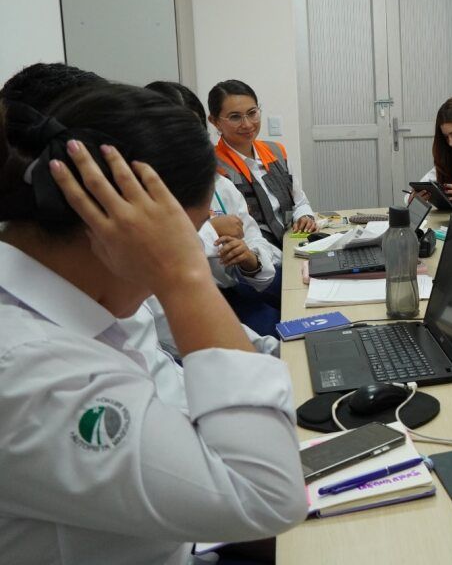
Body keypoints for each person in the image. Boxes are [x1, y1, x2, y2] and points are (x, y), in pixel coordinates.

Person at [0, 82, 307, 563]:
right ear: (111, 223)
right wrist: (185, 276)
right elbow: (266, 497)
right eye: (184, 236)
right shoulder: (27, 369)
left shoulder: (75, 303)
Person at [148, 81, 282, 335]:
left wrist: (250, 259)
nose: (182, 144)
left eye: (191, 131)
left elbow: (255, 240)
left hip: (233, 294)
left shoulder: (218, 183)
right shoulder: (139, 191)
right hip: (178, 313)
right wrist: (211, 229)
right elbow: (154, 247)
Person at [208, 79, 316, 244]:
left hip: (293, 244)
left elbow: (299, 201)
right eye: (235, 117)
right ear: (215, 121)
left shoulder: (277, 152)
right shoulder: (213, 168)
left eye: (252, 113)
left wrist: (304, 216)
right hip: (257, 259)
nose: (247, 124)